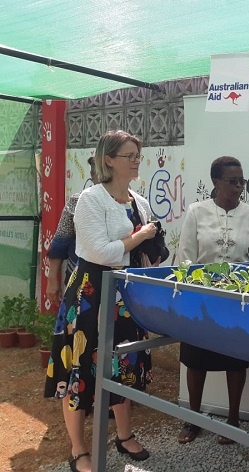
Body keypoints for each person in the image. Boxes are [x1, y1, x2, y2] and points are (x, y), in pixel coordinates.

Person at [44, 130, 159, 472]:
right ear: (109, 160)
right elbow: (100, 253)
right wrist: (138, 237)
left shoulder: (139, 201)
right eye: (130, 155)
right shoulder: (89, 200)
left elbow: (148, 253)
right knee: (81, 366)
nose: (136, 160)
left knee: (124, 363)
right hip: (91, 296)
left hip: (127, 295)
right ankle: (79, 449)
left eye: (138, 155)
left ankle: (124, 435)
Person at [176, 156, 249, 445]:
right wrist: (193, 291)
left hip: (236, 298)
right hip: (201, 298)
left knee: (235, 361)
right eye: (232, 181)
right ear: (216, 182)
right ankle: (193, 420)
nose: (239, 186)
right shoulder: (196, 212)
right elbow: (186, 257)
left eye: (241, 181)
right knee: (195, 359)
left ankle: (234, 421)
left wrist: (247, 292)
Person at [46, 157, 99, 308]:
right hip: (80, 279)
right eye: (98, 176)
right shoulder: (78, 201)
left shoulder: (130, 202)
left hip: (117, 279)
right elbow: (60, 243)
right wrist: (52, 280)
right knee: (79, 328)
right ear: (93, 177)